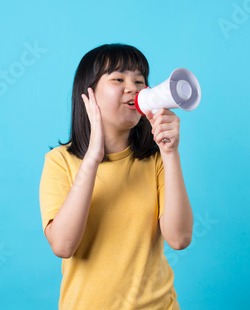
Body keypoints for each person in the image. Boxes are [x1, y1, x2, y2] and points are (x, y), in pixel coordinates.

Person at [39, 43, 193, 309]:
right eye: (118, 79)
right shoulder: (60, 162)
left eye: (139, 80)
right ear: (88, 95)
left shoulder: (155, 160)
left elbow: (179, 239)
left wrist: (170, 153)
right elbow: (63, 246)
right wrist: (91, 161)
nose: (132, 87)